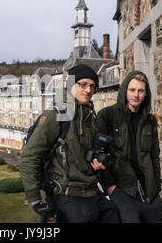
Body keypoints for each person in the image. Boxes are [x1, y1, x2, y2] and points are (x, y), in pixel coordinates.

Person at [18, 64, 119, 223]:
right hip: (69, 197)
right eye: (83, 85)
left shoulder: (90, 118)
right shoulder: (56, 115)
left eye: (92, 86)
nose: (88, 90)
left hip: (93, 194)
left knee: (115, 213)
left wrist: (108, 182)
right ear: (71, 84)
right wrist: (36, 200)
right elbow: (29, 159)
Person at [94, 70, 162, 223]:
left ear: (146, 94)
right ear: (125, 90)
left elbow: (154, 157)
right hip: (122, 188)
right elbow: (98, 155)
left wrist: (156, 186)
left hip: (148, 190)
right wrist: (110, 187)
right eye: (132, 90)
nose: (136, 95)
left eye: (141, 90)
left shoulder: (150, 121)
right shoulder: (107, 116)